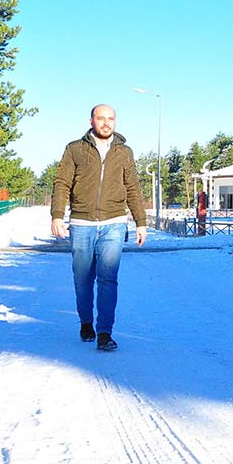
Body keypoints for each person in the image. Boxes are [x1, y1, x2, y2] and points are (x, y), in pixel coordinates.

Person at [50, 104, 148, 351]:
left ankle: (105, 332)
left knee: (108, 278)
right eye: (101, 118)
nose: (106, 123)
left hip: (114, 222)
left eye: (111, 118)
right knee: (83, 279)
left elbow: (133, 187)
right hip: (81, 223)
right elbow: (62, 183)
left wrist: (141, 222)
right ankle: (86, 322)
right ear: (91, 121)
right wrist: (57, 215)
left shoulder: (124, 152)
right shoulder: (75, 149)